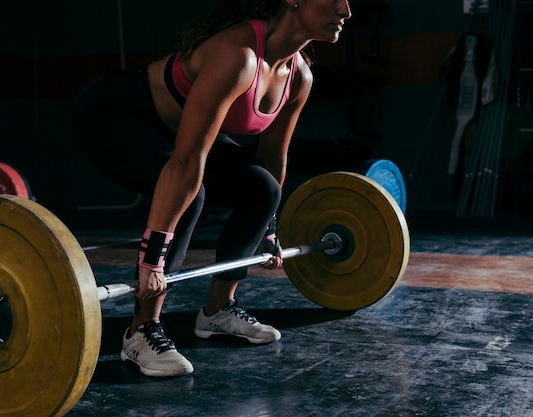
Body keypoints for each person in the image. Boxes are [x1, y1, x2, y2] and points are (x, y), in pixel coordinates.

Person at [73, 0, 352, 377]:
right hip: (114, 115)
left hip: (176, 132)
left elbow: (272, 158)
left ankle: (217, 311)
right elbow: (186, 163)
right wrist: (151, 260)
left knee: (264, 189)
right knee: (190, 196)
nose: (346, 9)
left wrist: (267, 232)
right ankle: (140, 331)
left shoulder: (299, 76)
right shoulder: (238, 56)